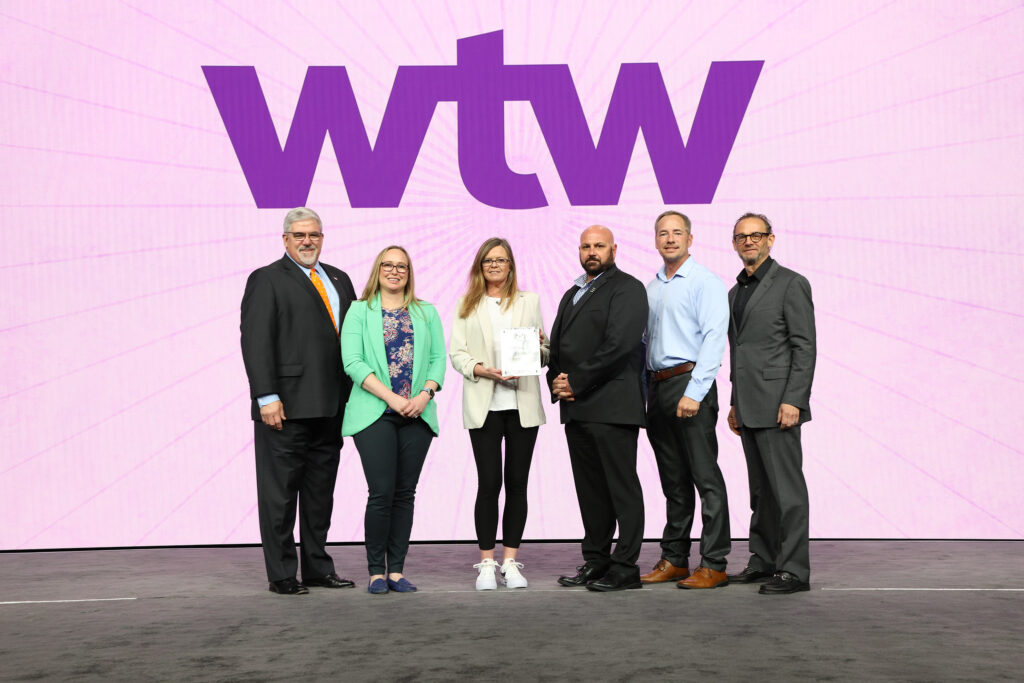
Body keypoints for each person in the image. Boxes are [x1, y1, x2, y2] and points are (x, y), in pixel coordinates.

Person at [240, 207, 357, 595]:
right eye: (300, 235)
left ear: (322, 237)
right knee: (280, 495)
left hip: (332, 406)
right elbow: (256, 343)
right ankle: (283, 574)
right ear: (285, 239)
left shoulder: (340, 279)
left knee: (320, 494)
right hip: (284, 408)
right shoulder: (267, 279)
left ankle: (317, 567)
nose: (308, 242)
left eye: (314, 235)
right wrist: (266, 397)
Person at [548, 225, 649, 592]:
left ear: (614, 249)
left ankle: (625, 567)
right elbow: (558, 349)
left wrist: (575, 380)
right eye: (587, 246)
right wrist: (557, 382)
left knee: (621, 489)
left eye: (600, 246)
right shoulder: (572, 292)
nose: (593, 252)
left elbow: (619, 344)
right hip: (577, 408)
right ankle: (596, 561)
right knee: (590, 491)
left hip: (612, 405)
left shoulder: (629, 288)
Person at [341, 245, 446, 594]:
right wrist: (392, 399)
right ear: (378, 270)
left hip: (417, 414)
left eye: (401, 266)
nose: (395, 271)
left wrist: (423, 395)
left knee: (405, 494)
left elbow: (437, 360)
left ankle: (397, 571)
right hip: (375, 414)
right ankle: (375, 572)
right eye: (388, 265)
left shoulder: (426, 312)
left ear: (409, 272)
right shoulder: (359, 311)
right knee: (381, 492)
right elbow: (353, 362)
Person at [449, 238, 549, 590]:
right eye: (488, 260)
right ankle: (487, 562)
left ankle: (511, 561)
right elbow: (457, 354)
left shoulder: (530, 301)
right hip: (484, 405)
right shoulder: (466, 303)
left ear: (511, 265)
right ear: (480, 265)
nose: (494, 265)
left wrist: (539, 349)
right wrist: (482, 369)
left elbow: (545, 350)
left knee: (518, 484)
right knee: (489, 483)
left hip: (522, 404)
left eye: (501, 259)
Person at [726, 213, 816, 595]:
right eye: (741, 237)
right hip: (747, 405)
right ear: (734, 243)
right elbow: (739, 352)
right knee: (760, 491)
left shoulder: (791, 284)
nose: (748, 241)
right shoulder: (734, 292)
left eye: (756, 235)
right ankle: (763, 560)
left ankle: (793, 569)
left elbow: (804, 345)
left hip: (780, 404)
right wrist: (733, 402)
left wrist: (794, 399)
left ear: (770, 239)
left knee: (787, 491)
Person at [642, 211, 732, 589]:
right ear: (656, 240)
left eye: (677, 233)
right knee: (673, 481)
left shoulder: (705, 282)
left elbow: (715, 338)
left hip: (689, 384)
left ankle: (714, 562)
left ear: (690, 239)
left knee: (704, 476)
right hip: (657, 387)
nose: (670, 239)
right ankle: (675, 558)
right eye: (663, 233)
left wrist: (695, 392)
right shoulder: (650, 287)